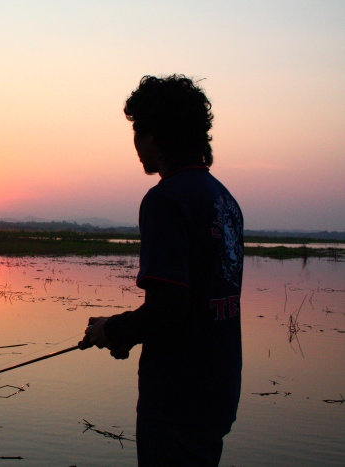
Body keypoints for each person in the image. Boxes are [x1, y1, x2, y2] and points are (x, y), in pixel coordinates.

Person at [82, 75, 244, 466]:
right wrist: (126, 332)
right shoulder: (225, 199)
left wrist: (113, 329)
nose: (136, 143)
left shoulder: (166, 199)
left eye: (139, 130)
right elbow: (193, 303)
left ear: (156, 136)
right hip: (219, 389)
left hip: (177, 397)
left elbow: (169, 308)